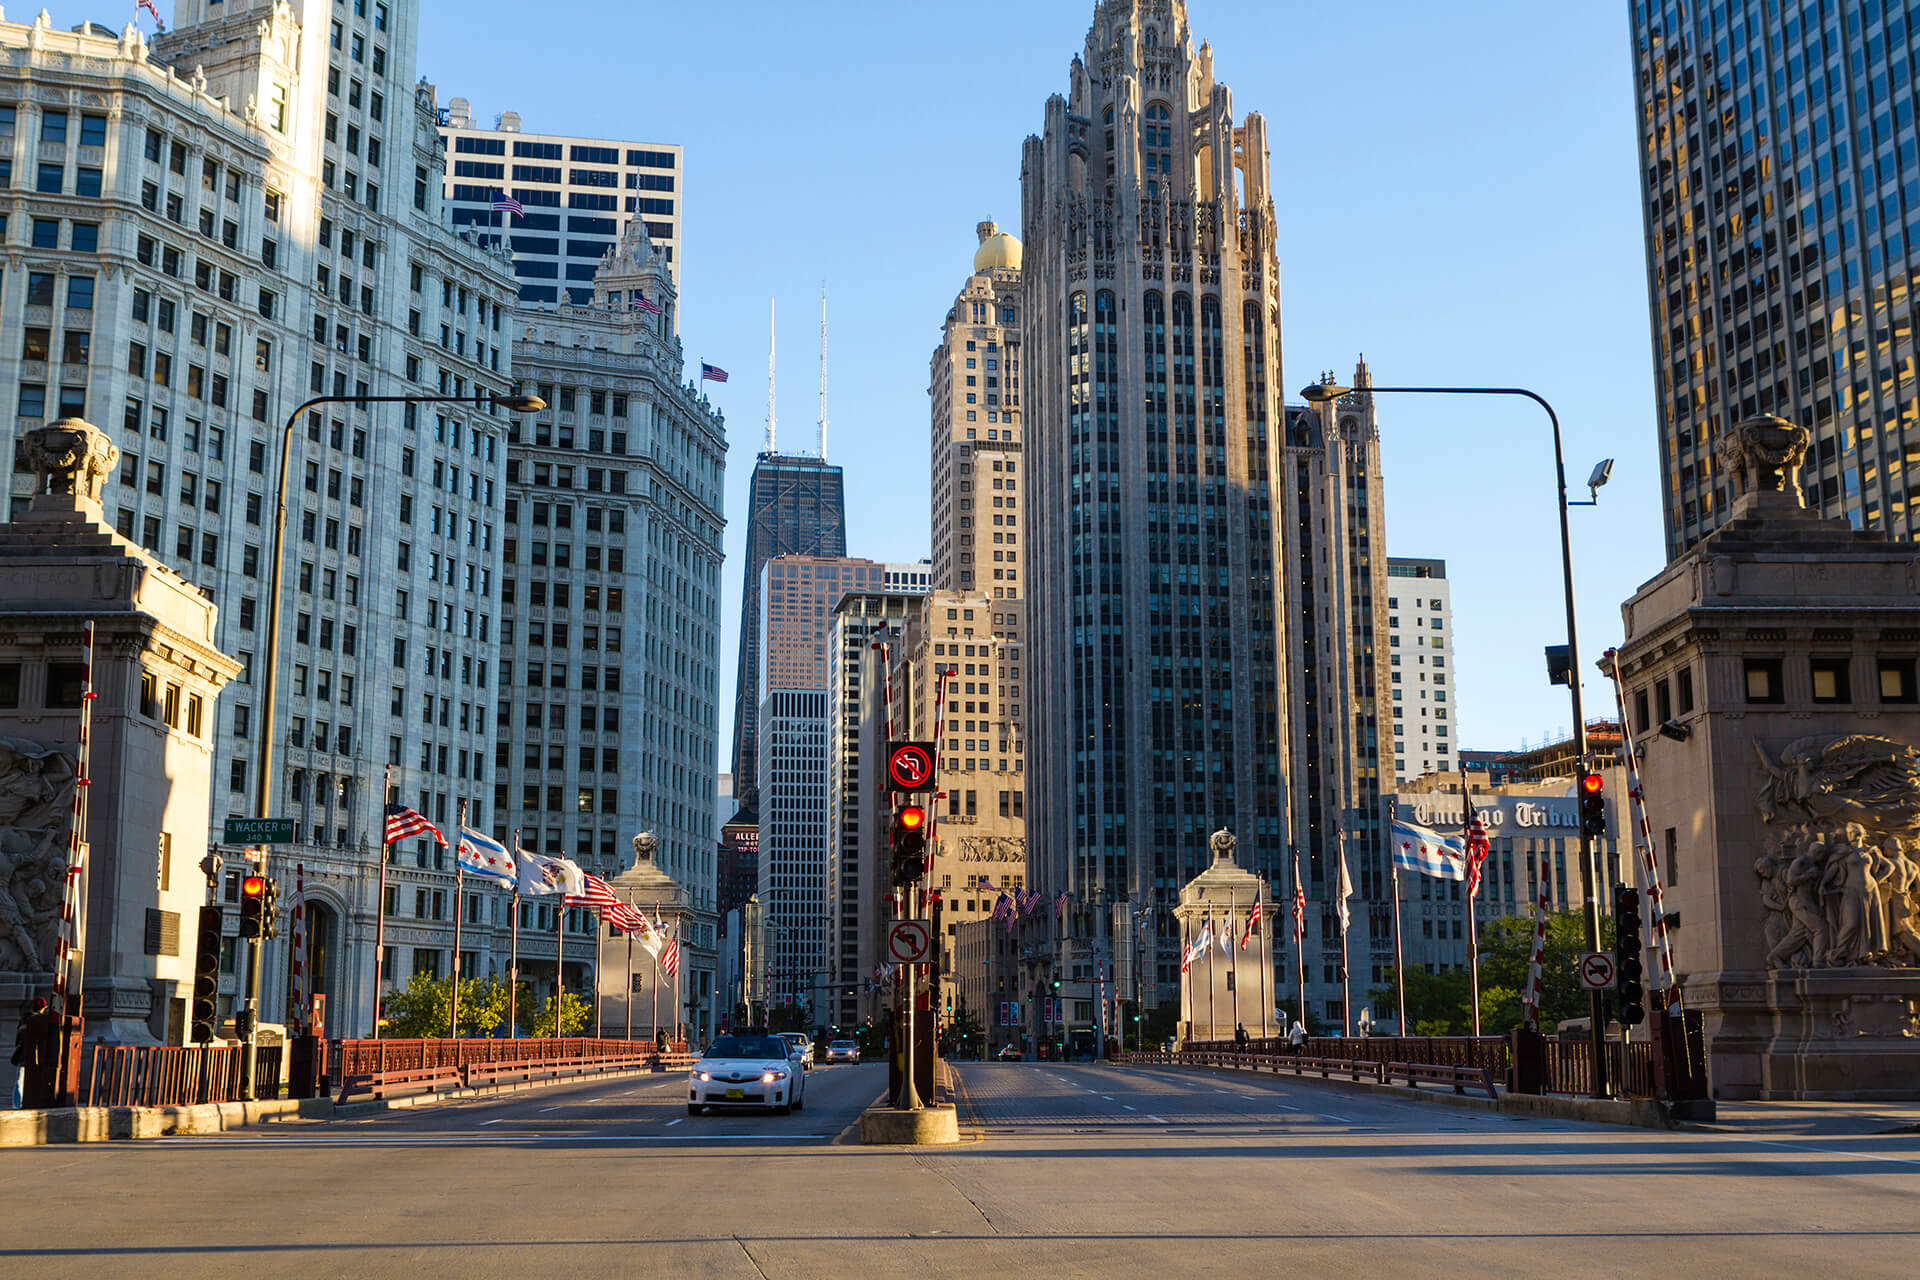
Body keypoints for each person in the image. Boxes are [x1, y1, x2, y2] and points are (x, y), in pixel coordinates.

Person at [11, 996, 50, 1109]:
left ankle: (17, 1105)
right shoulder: (40, 1021)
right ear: (43, 1008)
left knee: (20, 1081)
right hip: (33, 1056)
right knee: (25, 1080)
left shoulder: (24, 1019)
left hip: (24, 1055)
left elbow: (19, 1039)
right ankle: (22, 1104)